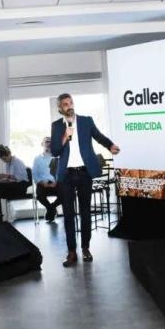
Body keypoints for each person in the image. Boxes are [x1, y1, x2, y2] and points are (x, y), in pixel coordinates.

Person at [51, 94, 120, 267]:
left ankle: (85, 248)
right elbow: (55, 151)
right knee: (68, 214)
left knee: (85, 212)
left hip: (84, 173)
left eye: (71, 103)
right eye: (65, 104)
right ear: (60, 108)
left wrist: (110, 145)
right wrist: (65, 136)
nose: (69, 106)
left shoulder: (86, 121)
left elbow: (99, 136)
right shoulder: (56, 126)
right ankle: (71, 252)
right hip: (66, 175)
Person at [0, 145, 30, 221]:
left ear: (9, 154)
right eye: (2, 159)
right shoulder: (9, 163)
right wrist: (2, 180)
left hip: (21, 187)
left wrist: (4, 176)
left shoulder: (17, 162)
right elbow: (10, 178)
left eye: (4, 159)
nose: (4, 161)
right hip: (14, 185)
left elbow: (20, 178)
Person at [32, 137, 61, 222]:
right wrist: (42, 183)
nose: (49, 143)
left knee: (65, 194)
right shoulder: (37, 158)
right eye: (47, 141)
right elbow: (35, 174)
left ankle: (51, 208)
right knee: (39, 195)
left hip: (56, 183)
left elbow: (61, 172)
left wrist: (56, 182)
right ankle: (51, 209)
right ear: (42, 144)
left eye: (51, 142)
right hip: (43, 183)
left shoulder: (57, 157)